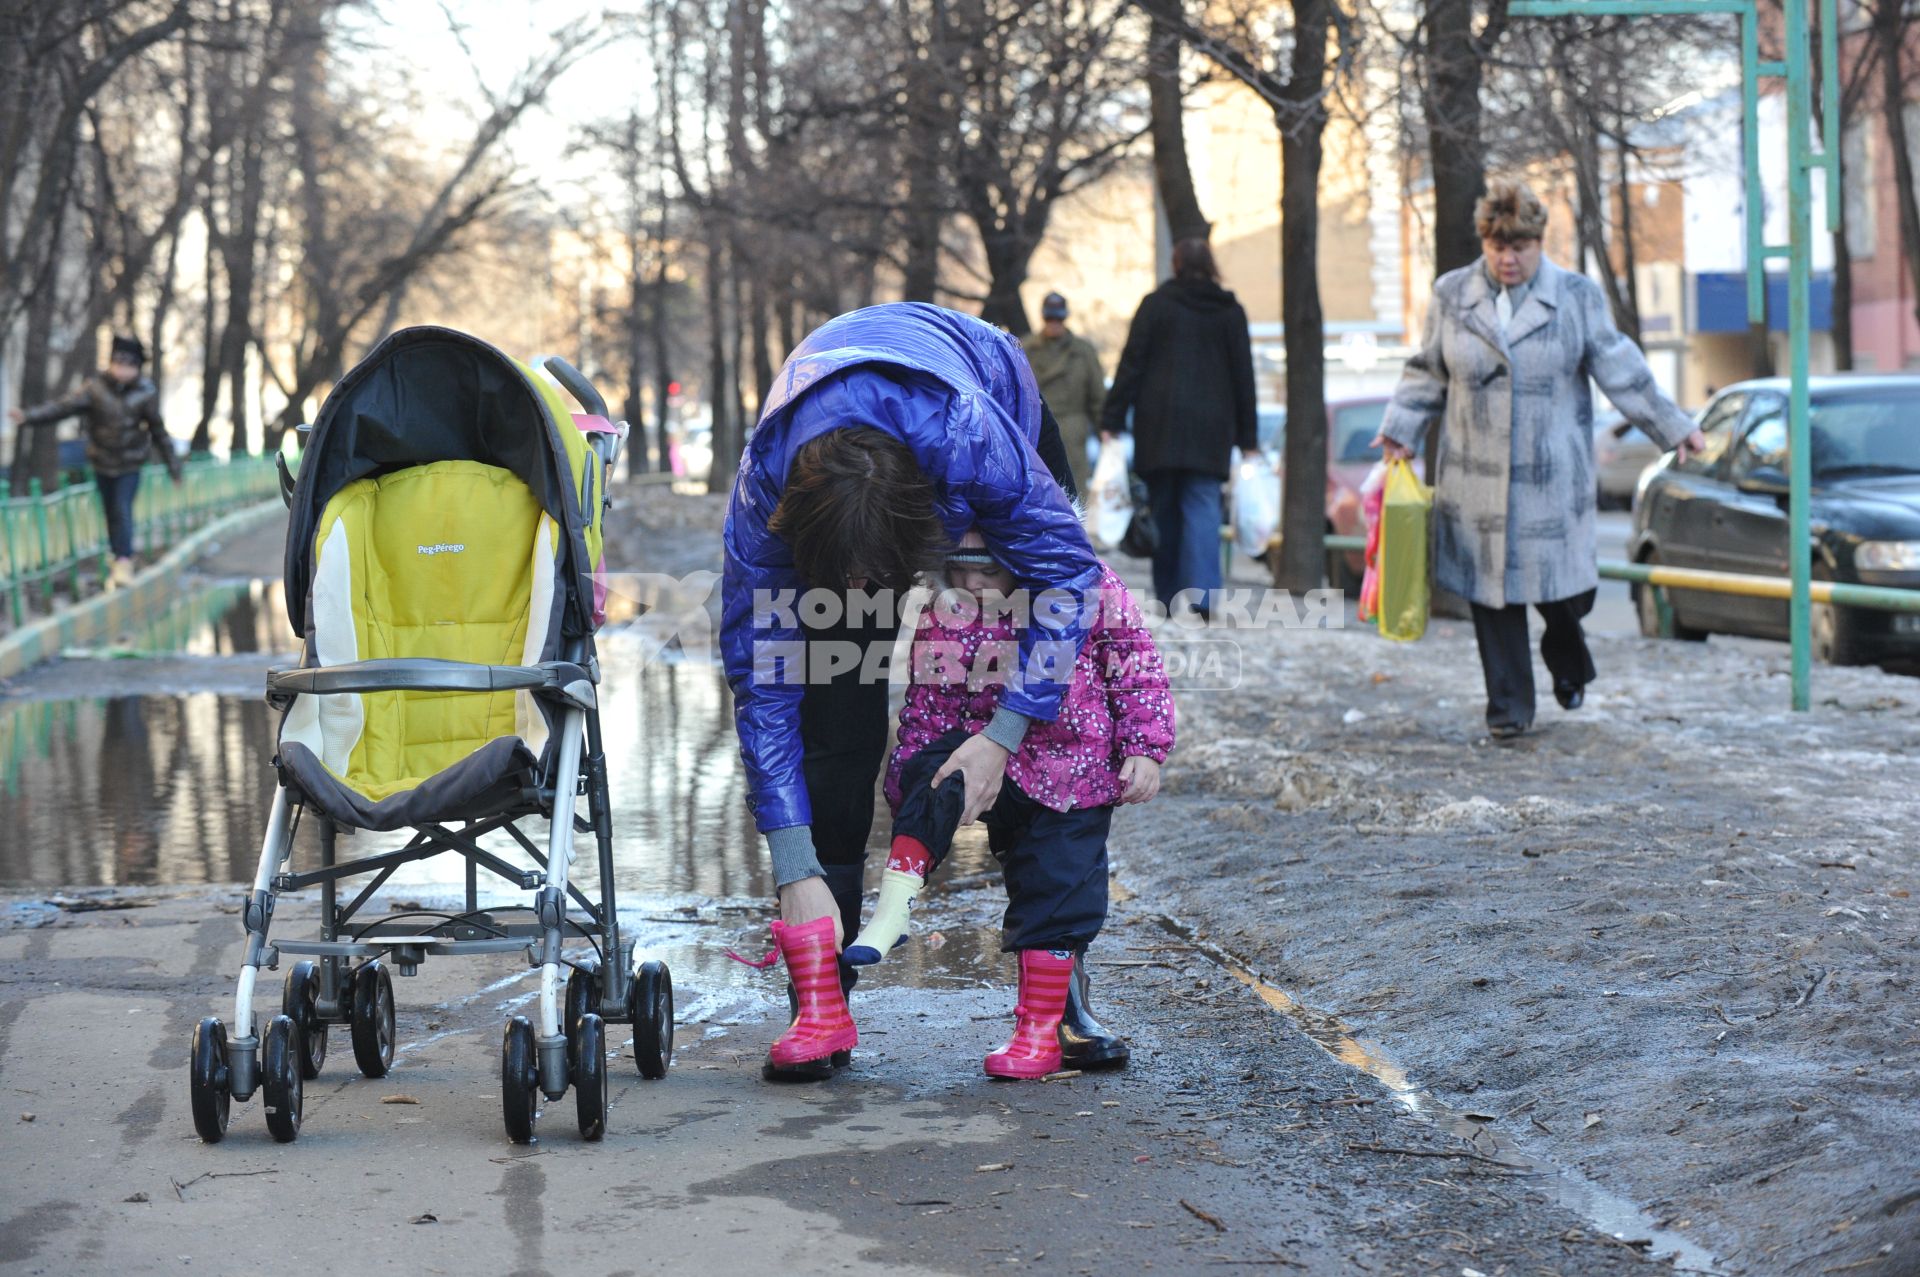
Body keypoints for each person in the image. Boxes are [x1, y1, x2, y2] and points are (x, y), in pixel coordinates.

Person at [722, 301, 1119, 1080]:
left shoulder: (973, 441)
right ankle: (822, 991)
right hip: (843, 496)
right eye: (850, 580)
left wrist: (1003, 734)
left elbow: (1073, 577)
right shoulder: (766, 504)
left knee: (1049, 727)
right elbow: (766, 693)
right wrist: (792, 865)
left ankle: (1059, 979)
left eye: (876, 575)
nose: (866, 591)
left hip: (982, 418)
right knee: (834, 724)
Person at [1373, 180, 1706, 739]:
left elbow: (1618, 364)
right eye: (1497, 246)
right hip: (1475, 482)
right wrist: (1401, 430)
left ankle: (1570, 666)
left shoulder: (1576, 296)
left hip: (1552, 478)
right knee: (1492, 598)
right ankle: (1509, 711)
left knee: (1564, 597)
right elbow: (1428, 369)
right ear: (1484, 242)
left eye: (1520, 247)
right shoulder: (1453, 294)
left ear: (1538, 243)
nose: (1508, 258)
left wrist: (1674, 428)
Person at [841, 529, 1173, 1075]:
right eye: (959, 567)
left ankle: (1043, 1029)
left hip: (1073, 767)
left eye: (988, 569)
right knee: (930, 774)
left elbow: (1135, 664)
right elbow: (930, 700)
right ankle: (894, 904)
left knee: (1057, 883)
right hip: (985, 758)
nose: (972, 581)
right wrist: (915, 784)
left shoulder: (1086, 585)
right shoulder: (949, 610)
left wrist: (1145, 746)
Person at [1101, 238, 1260, 618]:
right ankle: (1204, 599)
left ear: (1175, 264)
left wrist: (1113, 417)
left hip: (1160, 426)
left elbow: (1132, 364)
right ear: (1211, 265)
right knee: (1203, 510)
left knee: (1164, 512)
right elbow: (1244, 376)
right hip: (1211, 432)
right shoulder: (1230, 312)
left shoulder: (1156, 306)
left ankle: (1168, 597)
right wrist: (1248, 438)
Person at [9, 333, 182, 587]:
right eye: (119, 365)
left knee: (122, 508)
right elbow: (63, 407)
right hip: (102, 461)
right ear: (112, 364)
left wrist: (174, 468)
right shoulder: (95, 389)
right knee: (111, 511)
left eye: (129, 366)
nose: (123, 371)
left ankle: (124, 561)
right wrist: (28, 416)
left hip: (130, 463)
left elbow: (159, 432)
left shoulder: (145, 393)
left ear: (136, 368)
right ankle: (117, 559)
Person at [1022, 292, 1106, 498]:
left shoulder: (1083, 352)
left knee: (1073, 494)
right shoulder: (1026, 349)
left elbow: (1097, 397)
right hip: (1035, 432)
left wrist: (1104, 431)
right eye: (1050, 318)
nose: (1054, 323)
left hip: (1072, 433)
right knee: (1036, 493)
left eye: (1058, 318)